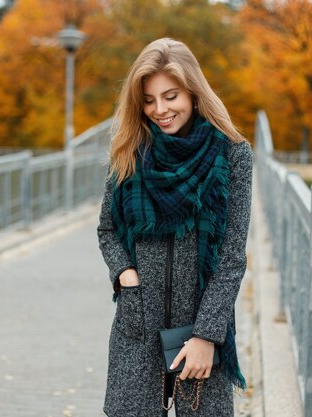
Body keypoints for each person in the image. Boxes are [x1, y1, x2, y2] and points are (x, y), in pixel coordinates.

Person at [97, 38, 253, 417]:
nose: (160, 110)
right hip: (137, 327)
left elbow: (232, 258)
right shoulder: (131, 150)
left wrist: (206, 334)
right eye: (149, 100)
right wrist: (126, 274)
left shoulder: (232, 155)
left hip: (200, 330)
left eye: (171, 96)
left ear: (194, 92)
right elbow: (107, 229)